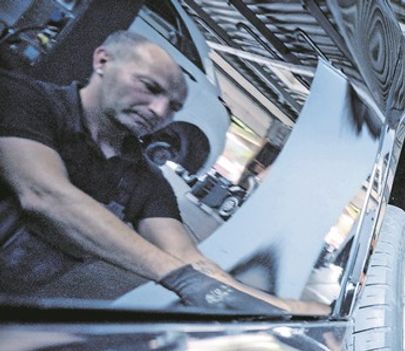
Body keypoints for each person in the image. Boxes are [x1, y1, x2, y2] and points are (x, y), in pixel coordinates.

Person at [0, 30, 301, 313]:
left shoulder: (143, 180)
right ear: (102, 61)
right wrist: (178, 278)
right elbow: (45, 194)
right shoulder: (24, 99)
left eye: (173, 106)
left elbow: (187, 258)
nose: (159, 111)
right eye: (149, 87)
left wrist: (283, 308)